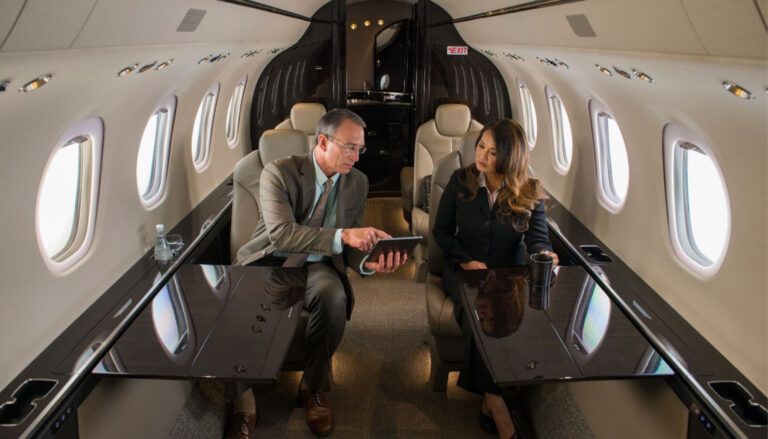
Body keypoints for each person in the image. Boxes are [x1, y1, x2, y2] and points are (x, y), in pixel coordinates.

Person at [228, 108, 407, 438]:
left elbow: (352, 241)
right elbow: (282, 234)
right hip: (268, 261)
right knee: (239, 307)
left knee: (333, 297)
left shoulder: (358, 182)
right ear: (323, 141)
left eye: (360, 149)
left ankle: (313, 387)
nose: (356, 156)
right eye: (349, 147)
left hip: (317, 265)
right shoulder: (278, 172)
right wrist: (343, 237)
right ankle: (244, 402)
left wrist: (367, 263)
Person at [432, 118, 559, 439]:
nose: (482, 156)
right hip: (463, 271)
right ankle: (497, 405)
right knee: (477, 315)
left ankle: (489, 400)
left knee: (498, 314)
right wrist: (465, 260)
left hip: (506, 277)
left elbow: (539, 242)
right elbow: (441, 233)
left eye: (492, 151)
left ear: (510, 158)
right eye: (480, 147)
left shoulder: (530, 191)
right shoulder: (461, 181)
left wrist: (546, 256)